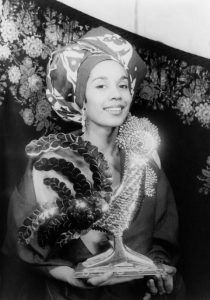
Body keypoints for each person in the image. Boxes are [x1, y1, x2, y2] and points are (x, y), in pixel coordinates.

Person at [1, 26, 184, 300]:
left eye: (123, 85)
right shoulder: (49, 163)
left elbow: (161, 239)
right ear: (81, 98)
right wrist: (73, 278)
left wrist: (157, 273)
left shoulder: (145, 161)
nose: (116, 95)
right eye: (101, 85)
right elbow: (25, 247)